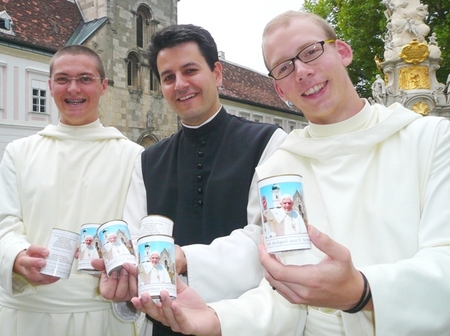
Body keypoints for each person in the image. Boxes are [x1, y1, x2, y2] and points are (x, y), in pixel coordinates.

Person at [130, 10, 450, 336]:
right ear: (279, 90)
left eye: (311, 51)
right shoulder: (282, 167)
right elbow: (284, 294)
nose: (302, 71)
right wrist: (218, 318)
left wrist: (364, 291)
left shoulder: (433, 140)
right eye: (284, 67)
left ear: (342, 51)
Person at [93, 24, 287, 336]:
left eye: (190, 70)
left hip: (242, 320)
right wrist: (123, 278)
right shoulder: (147, 161)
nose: (180, 84)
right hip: (167, 323)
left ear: (217, 73)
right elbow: (134, 240)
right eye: (168, 77)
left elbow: (265, 240)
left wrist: (185, 259)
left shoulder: (267, 142)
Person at [0, 45, 143, 335]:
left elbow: (138, 230)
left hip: (102, 312)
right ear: (50, 86)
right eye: (63, 79)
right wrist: (15, 256)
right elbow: (5, 222)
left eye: (85, 79)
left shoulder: (134, 156)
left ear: (103, 86)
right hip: (30, 312)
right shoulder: (18, 151)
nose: (73, 88)